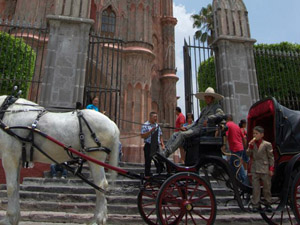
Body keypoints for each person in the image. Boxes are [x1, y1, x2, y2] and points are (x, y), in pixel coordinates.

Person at [163, 87, 225, 158]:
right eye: (206, 97)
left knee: (182, 135)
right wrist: (186, 127)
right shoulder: (204, 109)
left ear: (212, 98)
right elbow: (196, 122)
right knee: (175, 134)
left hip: (204, 130)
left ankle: (167, 153)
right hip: (196, 128)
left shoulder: (216, 107)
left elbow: (221, 115)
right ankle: (165, 150)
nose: (207, 99)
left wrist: (209, 119)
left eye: (209, 97)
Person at [247, 126, 274, 213]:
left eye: (256, 133)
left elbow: (271, 157)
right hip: (255, 167)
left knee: (266, 187)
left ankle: (268, 203)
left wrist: (271, 168)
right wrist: (250, 146)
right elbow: (248, 154)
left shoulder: (267, 144)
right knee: (255, 188)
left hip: (264, 167)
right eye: (254, 133)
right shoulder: (252, 144)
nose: (255, 135)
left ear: (261, 135)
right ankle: (256, 204)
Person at [225, 114, 248, 184]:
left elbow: (226, 135)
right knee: (232, 164)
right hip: (240, 147)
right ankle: (234, 180)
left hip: (235, 148)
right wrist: (245, 146)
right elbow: (243, 138)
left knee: (237, 164)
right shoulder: (236, 126)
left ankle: (244, 181)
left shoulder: (228, 125)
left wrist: (223, 145)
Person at [141, 112, 165, 177]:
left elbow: (160, 135)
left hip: (156, 145)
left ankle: (159, 175)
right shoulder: (145, 125)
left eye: (156, 117)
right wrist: (150, 131)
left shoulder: (157, 125)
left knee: (159, 161)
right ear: (151, 117)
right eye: (154, 117)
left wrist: (162, 144)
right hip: (149, 145)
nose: (156, 118)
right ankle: (147, 177)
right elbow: (142, 136)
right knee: (148, 162)